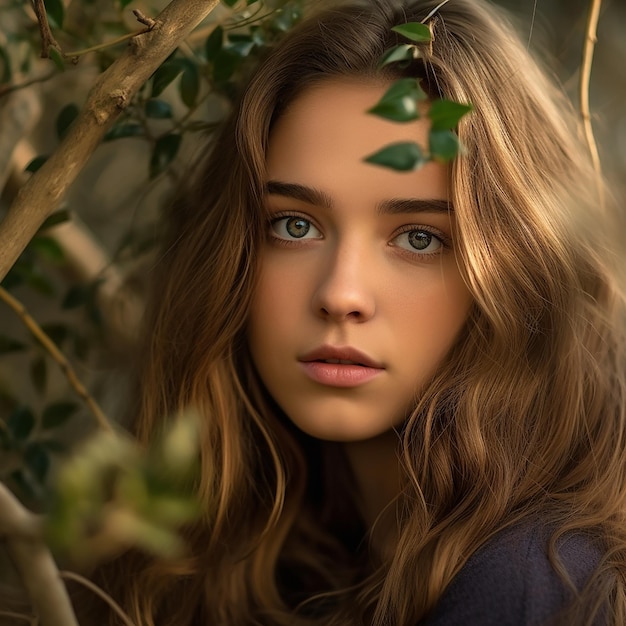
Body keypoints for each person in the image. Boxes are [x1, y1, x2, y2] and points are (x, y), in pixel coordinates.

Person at [79, 0, 626, 624]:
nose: (341, 294)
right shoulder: (281, 550)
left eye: (419, 237)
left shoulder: (533, 583)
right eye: (294, 224)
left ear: (516, 272)